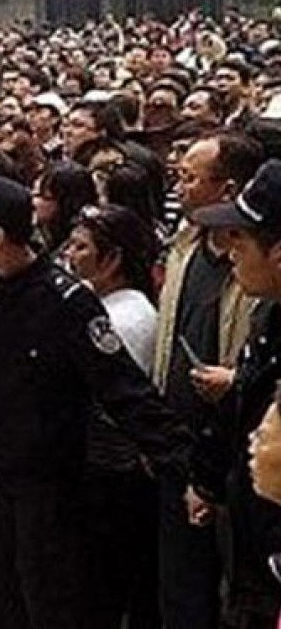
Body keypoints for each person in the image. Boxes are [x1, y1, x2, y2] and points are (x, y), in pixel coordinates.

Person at [0, 173, 189, 629]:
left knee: (50, 609)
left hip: (49, 497)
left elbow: (125, 391)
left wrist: (186, 468)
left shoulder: (66, 302)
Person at [153, 132, 262, 629]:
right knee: (180, 578)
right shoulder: (184, 245)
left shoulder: (260, 273)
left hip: (243, 455)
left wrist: (237, 378)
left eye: (190, 178)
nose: (180, 186)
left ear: (229, 186)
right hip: (181, 442)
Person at [188, 161, 281, 627]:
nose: (229, 255)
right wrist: (208, 481)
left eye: (240, 243)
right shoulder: (268, 318)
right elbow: (243, 403)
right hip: (251, 550)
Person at [61, 204, 162, 628]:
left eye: (82, 247)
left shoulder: (125, 317)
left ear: (114, 258)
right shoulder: (99, 305)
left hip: (112, 473)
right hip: (100, 470)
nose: (69, 254)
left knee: (104, 589)